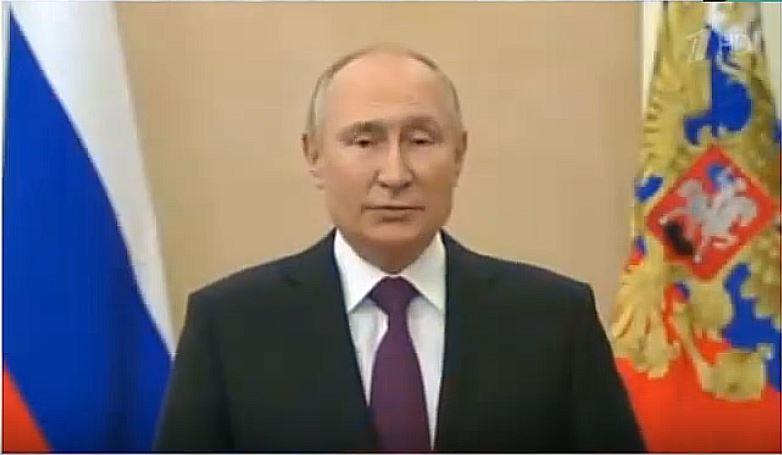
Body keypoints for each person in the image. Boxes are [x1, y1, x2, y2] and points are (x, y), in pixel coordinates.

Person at [155, 45, 645, 453]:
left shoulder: (553, 320)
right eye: (364, 141)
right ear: (314, 155)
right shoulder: (230, 326)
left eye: (420, 140)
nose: (394, 174)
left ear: (459, 154)